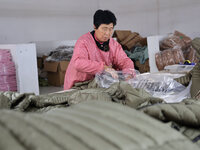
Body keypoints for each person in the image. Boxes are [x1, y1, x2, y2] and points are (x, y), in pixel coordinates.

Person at [64, 9, 136, 90]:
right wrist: (104, 68)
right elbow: (78, 63)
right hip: (80, 84)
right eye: (104, 28)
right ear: (95, 26)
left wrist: (128, 74)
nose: (108, 33)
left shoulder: (113, 44)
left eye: (111, 28)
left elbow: (125, 61)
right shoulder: (83, 42)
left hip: (99, 83)